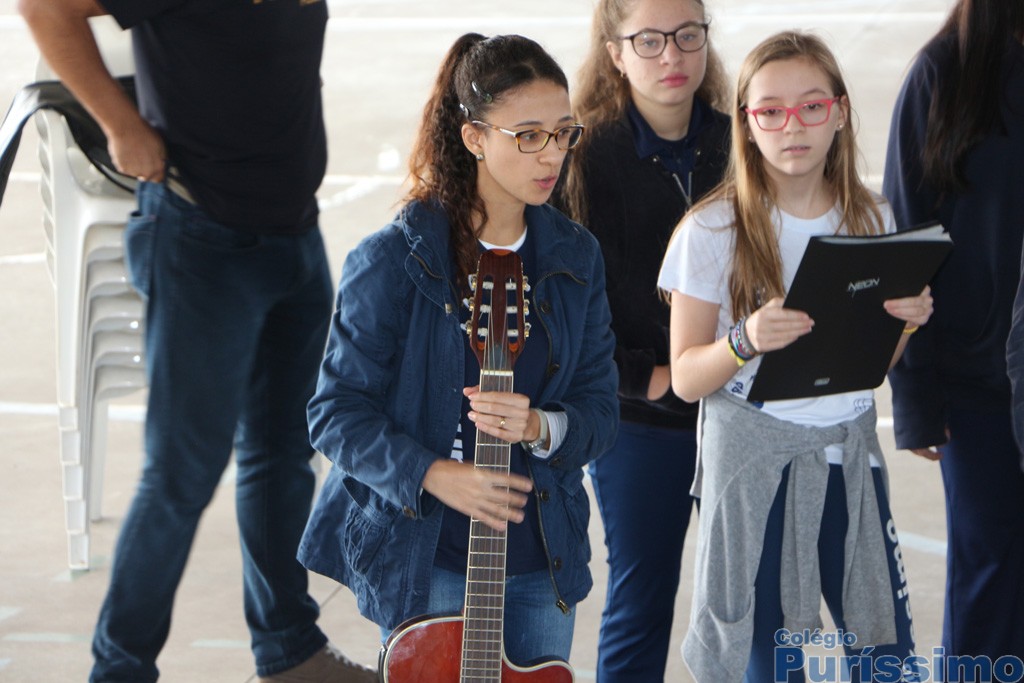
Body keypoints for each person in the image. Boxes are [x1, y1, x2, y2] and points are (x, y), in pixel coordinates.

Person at [17, 1, 376, 681]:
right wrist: (121, 126)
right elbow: (46, 7)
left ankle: (289, 650)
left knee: (283, 457)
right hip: (202, 233)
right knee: (181, 474)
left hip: (294, 232)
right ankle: (119, 669)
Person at [297, 33, 619, 667]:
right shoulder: (394, 259)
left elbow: (600, 408)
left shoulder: (575, 256)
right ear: (474, 137)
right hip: (430, 560)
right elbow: (335, 414)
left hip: (543, 561)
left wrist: (540, 426)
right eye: (528, 135)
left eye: (563, 133)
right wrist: (436, 475)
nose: (551, 154)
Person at [657, 31, 934, 682]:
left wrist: (905, 325)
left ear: (839, 113)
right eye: (771, 110)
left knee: (886, 657)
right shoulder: (711, 230)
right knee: (771, 663)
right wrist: (745, 339)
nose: (793, 126)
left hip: (848, 457)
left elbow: (865, 367)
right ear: (747, 124)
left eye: (812, 106)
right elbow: (688, 378)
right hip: (756, 471)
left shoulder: (872, 218)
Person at [552, 0, 728, 679]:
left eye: (687, 35)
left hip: (742, 410)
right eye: (648, 40)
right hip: (644, 420)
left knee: (751, 598)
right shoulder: (584, 160)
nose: (672, 56)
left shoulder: (740, 142)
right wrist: (642, 378)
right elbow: (562, 310)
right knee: (643, 598)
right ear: (615, 53)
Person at [883, 0, 1024, 660]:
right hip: (980, 390)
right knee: (990, 577)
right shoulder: (944, 74)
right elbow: (906, 244)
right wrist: (917, 400)